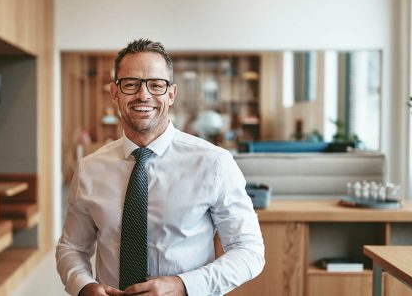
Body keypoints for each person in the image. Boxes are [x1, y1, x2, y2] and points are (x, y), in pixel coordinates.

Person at [56, 39, 265, 296]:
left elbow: (249, 250)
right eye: (131, 84)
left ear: (171, 94)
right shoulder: (90, 168)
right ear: (115, 92)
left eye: (156, 85)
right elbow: (71, 248)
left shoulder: (214, 163)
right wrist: (84, 287)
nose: (144, 95)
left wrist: (184, 286)